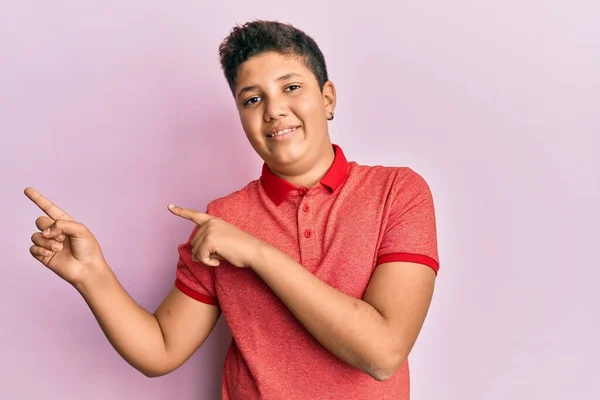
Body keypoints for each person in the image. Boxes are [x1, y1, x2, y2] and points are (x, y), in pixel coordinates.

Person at [25, 20, 439, 400]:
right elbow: (162, 348)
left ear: (327, 98)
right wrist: (91, 273)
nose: (273, 110)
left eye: (291, 87)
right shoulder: (222, 219)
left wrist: (257, 253)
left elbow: (382, 354)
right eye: (252, 99)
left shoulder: (397, 192)